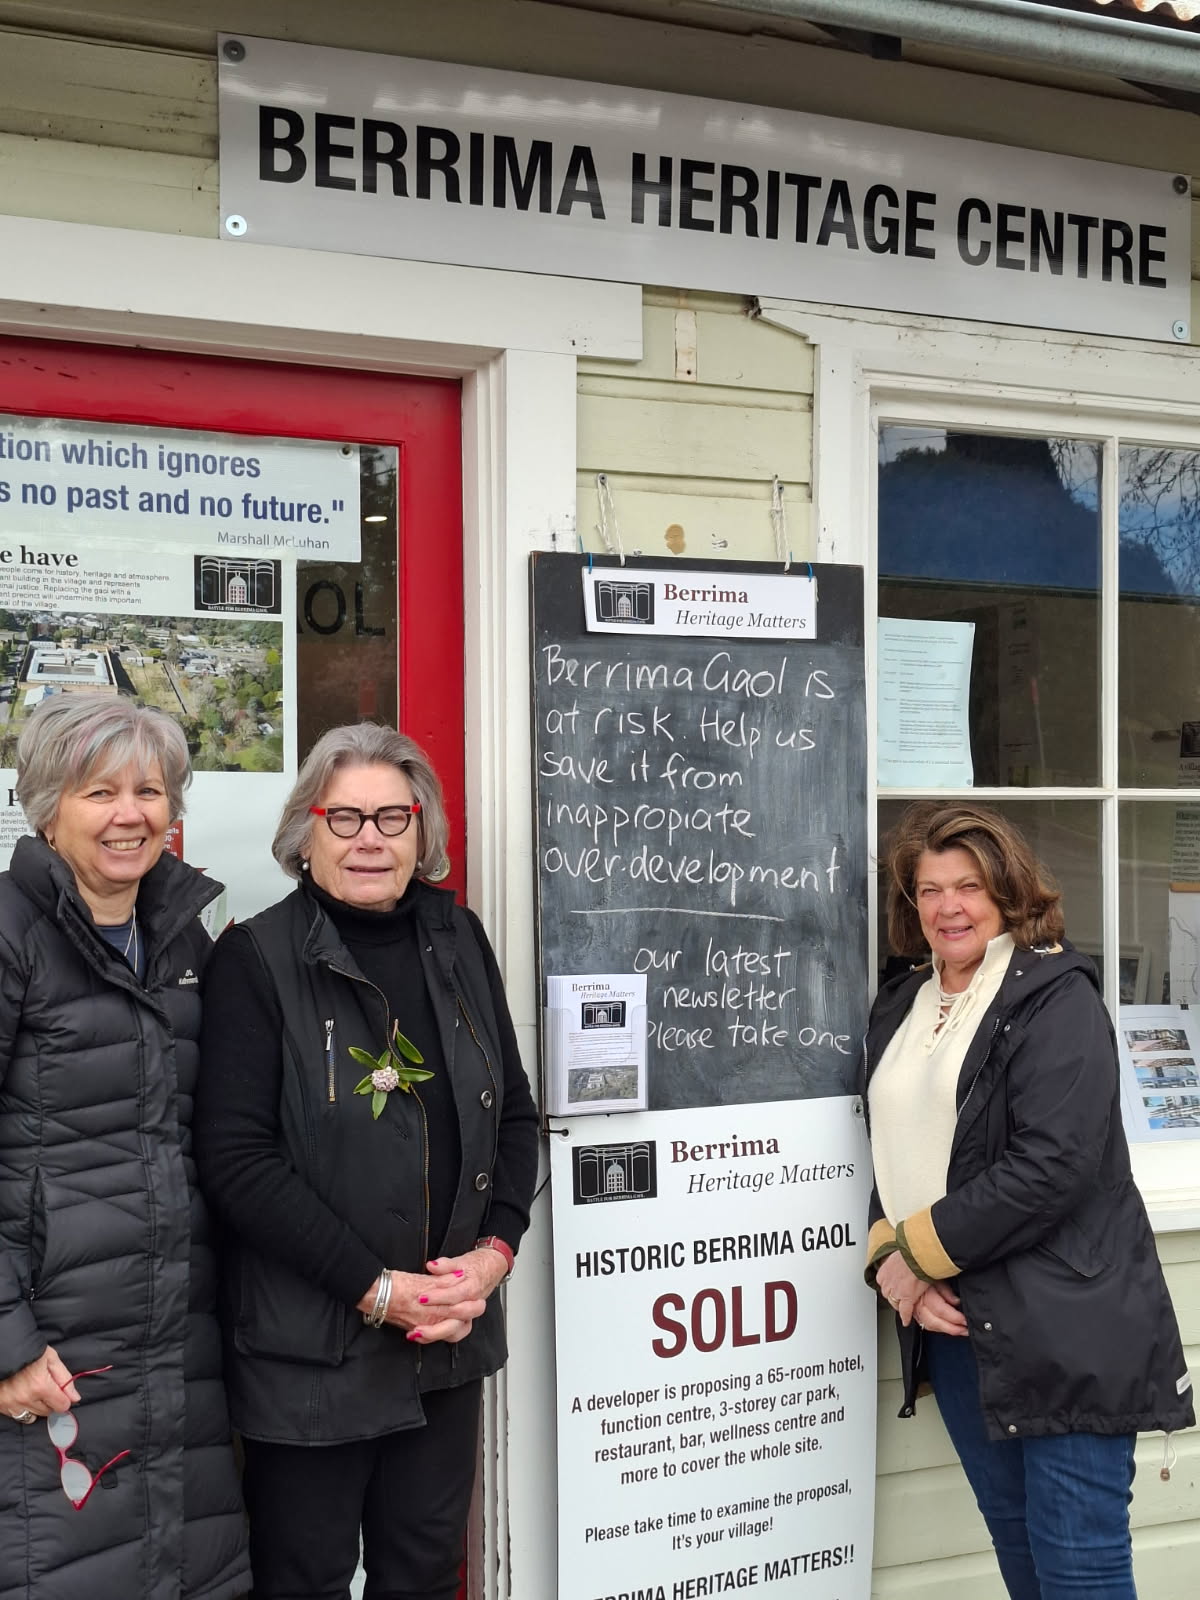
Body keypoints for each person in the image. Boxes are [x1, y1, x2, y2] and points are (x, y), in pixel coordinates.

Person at [195, 722, 539, 1600]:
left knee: (425, 1575)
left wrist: (491, 1261)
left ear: (423, 831)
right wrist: (377, 1289)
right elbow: (238, 1163)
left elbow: (515, 1118)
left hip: (445, 1343)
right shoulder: (255, 957)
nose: (370, 839)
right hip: (310, 1355)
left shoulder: (458, 939)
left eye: (393, 816)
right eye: (344, 818)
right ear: (304, 834)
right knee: (303, 1579)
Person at [863, 801, 1193, 1600]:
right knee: (1021, 1561)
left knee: (1079, 1572)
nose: (948, 907)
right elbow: (890, 1148)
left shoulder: (1054, 998)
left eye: (969, 886)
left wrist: (912, 1256)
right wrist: (884, 1255)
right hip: (958, 1328)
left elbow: (1053, 1165)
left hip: (1065, 1325)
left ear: (1009, 892)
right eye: (929, 889)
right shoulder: (903, 1003)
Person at [0, 693, 249, 1600]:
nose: (130, 814)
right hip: (51, 1358)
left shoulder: (184, 940)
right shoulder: (10, 932)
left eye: (150, 791)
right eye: (100, 791)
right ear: (46, 806)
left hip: (176, 1352)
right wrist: (5, 1343)